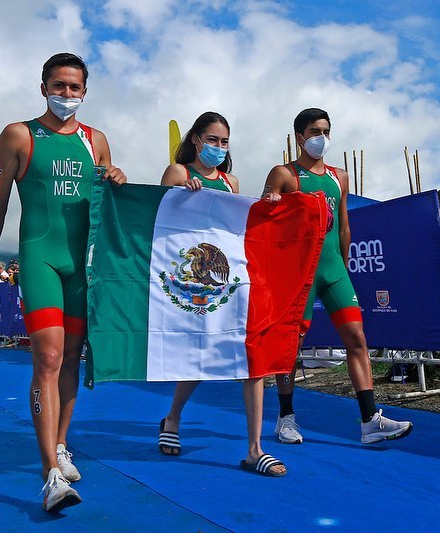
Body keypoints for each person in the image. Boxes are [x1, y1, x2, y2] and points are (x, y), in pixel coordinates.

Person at [0, 52, 127, 513]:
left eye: (75, 88)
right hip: (41, 257)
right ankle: (50, 476)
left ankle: (61, 445)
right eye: (59, 86)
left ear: (85, 91)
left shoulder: (96, 141)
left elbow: (109, 205)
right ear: (43, 87)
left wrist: (119, 179)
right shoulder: (20, 135)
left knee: (71, 361)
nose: (67, 94)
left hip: (82, 267)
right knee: (47, 356)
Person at [263, 108, 413, 445]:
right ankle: (285, 418)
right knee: (291, 348)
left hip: (333, 270)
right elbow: (264, 223)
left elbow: (344, 226)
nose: (322, 138)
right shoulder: (284, 175)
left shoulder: (339, 177)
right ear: (299, 137)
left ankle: (370, 421)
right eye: (315, 131)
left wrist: (342, 269)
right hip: (297, 274)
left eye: (327, 131)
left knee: (357, 339)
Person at [156, 112, 285, 477]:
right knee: (198, 356)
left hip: (229, 278)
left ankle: (254, 449)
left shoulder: (231, 181)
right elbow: (158, 219)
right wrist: (180, 196)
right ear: (196, 140)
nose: (218, 147)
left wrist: (268, 202)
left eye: (224, 142)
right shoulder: (179, 173)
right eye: (212, 140)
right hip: (191, 279)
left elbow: (241, 225)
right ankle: (172, 419)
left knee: (252, 356)